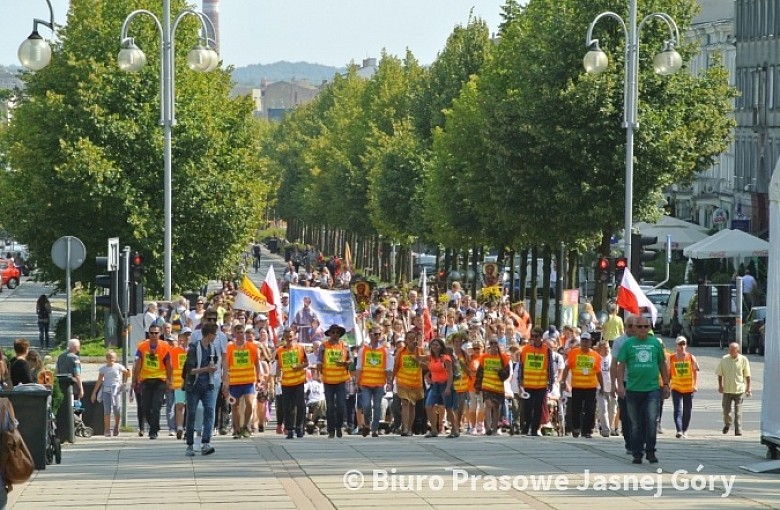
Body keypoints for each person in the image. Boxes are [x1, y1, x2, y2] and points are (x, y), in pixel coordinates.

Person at [616, 316, 670, 465]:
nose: (642, 330)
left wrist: (666, 384)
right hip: (633, 389)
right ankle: (637, 453)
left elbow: (662, 364)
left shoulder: (655, 344)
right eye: (639, 327)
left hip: (652, 389)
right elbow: (621, 366)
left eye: (646, 327)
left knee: (651, 420)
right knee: (635, 423)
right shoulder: (628, 344)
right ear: (634, 328)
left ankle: (651, 451)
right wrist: (620, 385)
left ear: (650, 328)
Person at [183, 322, 219, 456]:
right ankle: (190, 445)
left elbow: (213, 363)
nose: (216, 336)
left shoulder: (212, 348)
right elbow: (190, 371)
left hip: (207, 385)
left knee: (209, 411)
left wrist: (212, 368)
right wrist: (207, 369)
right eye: (214, 334)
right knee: (191, 414)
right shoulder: (193, 348)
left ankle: (206, 443)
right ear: (209, 335)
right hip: (194, 386)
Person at [132, 325, 173, 440]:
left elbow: (169, 365)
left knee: (156, 406)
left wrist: (169, 380)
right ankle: (155, 425)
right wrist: (135, 379)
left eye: (156, 333)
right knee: (145, 407)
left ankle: (153, 431)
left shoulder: (165, 346)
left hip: (160, 380)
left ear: (160, 334)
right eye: (151, 333)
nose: (154, 335)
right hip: (145, 380)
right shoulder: (142, 346)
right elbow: (138, 363)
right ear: (148, 334)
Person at [223, 323, 262, 439]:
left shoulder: (251, 346)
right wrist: (225, 381)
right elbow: (226, 365)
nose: (240, 334)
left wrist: (259, 377)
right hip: (235, 382)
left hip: (249, 380)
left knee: (250, 403)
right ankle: (236, 429)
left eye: (242, 332)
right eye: (238, 332)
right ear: (234, 334)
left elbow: (256, 362)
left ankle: (245, 426)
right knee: (235, 406)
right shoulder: (230, 347)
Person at [561, 332, 603, 439]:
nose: (584, 342)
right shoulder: (573, 353)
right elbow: (566, 368)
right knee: (576, 409)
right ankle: (576, 428)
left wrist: (602, 386)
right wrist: (563, 381)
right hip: (577, 386)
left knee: (590, 410)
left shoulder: (595, 356)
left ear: (590, 342)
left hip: (590, 387)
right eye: (583, 340)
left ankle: (586, 431)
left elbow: (599, 372)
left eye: (586, 340)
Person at [356, 325, 393, 437]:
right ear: (370, 334)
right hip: (366, 383)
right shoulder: (363, 350)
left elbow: (388, 369)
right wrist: (357, 382)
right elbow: (359, 367)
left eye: (379, 334)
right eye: (375, 334)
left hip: (379, 383)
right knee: (366, 405)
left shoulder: (384, 351)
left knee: (377, 406)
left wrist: (389, 383)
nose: (377, 336)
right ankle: (367, 424)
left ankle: (375, 429)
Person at [518, 327, 555, 436]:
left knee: (538, 408)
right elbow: (521, 366)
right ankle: (527, 425)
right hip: (528, 384)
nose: (534, 338)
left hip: (541, 384)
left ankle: (534, 429)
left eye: (536, 336)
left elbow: (550, 367)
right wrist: (520, 380)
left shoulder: (547, 350)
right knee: (527, 408)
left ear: (541, 337)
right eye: (532, 336)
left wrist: (551, 382)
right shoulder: (525, 349)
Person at [418, 338, 458, 438]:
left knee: (448, 408)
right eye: (433, 345)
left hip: (445, 384)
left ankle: (455, 429)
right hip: (435, 386)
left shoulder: (446, 358)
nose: (435, 347)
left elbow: (450, 374)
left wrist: (448, 387)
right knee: (428, 406)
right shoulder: (430, 357)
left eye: (437, 345)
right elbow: (418, 357)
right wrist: (416, 345)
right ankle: (434, 430)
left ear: (441, 346)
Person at [317, 324, 350, 438]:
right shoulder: (324, 346)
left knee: (341, 406)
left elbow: (350, 361)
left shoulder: (344, 345)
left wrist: (346, 363)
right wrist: (320, 374)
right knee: (330, 407)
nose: (335, 334)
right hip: (328, 381)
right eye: (333, 332)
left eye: (337, 332)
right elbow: (319, 362)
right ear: (330, 333)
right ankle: (331, 430)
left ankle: (339, 426)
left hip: (341, 380)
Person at [276, 327, 308, 439]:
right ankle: (290, 429)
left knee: (300, 405)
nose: (289, 338)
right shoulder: (280, 351)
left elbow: (306, 363)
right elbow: (278, 366)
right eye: (287, 336)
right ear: (284, 337)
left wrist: (299, 366)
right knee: (287, 407)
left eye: (291, 336)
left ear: (294, 336)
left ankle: (299, 427)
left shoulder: (300, 348)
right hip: (286, 383)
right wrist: (277, 377)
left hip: (298, 381)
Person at [90, 351, 130, 437]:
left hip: (116, 390)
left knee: (117, 410)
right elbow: (99, 381)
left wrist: (124, 383)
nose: (110, 359)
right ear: (106, 359)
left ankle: (116, 427)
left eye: (112, 357)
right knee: (107, 411)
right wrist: (94, 393)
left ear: (115, 358)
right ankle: (107, 429)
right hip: (106, 391)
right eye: (108, 357)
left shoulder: (119, 366)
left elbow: (127, 373)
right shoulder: (103, 369)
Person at [716, 342, 751, 436]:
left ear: (737, 350)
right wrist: (720, 386)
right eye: (730, 349)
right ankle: (727, 423)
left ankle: (738, 430)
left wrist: (748, 388)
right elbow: (720, 373)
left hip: (739, 389)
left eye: (733, 350)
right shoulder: (724, 359)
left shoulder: (743, 359)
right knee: (726, 410)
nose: (731, 351)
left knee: (738, 411)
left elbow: (747, 375)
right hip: (727, 389)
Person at [668, 336, 699, 438]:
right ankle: (679, 430)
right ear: (676, 346)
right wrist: (666, 385)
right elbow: (668, 372)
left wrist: (695, 385)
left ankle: (685, 430)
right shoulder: (671, 358)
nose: (682, 346)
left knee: (687, 409)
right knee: (678, 409)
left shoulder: (691, 357)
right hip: (676, 387)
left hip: (688, 388)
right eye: (680, 344)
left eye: (683, 344)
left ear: (686, 345)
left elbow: (695, 372)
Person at [56, 338, 84, 403]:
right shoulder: (75, 358)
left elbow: (56, 371)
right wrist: (81, 389)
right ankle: (77, 413)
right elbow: (77, 375)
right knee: (76, 407)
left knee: (65, 407)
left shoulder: (60, 356)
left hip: (62, 387)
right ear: (76, 347)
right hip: (73, 388)